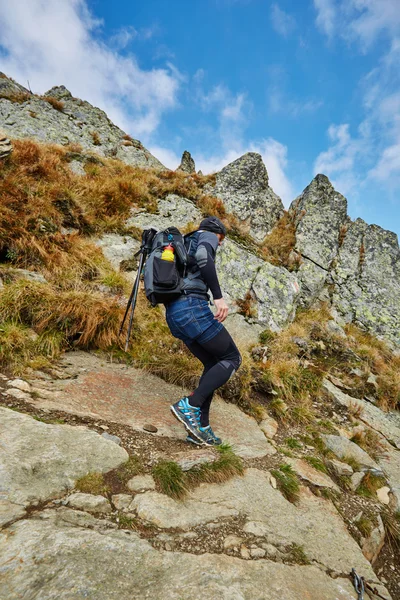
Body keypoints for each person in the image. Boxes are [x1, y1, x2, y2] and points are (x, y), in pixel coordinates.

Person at [166, 216, 241, 446]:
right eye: (221, 240)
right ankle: (189, 405)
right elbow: (203, 257)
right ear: (216, 232)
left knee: (212, 364)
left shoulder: (183, 242)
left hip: (174, 315)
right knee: (232, 358)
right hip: (192, 309)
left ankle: (201, 427)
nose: (219, 244)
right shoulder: (205, 235)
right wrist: (218, 298)